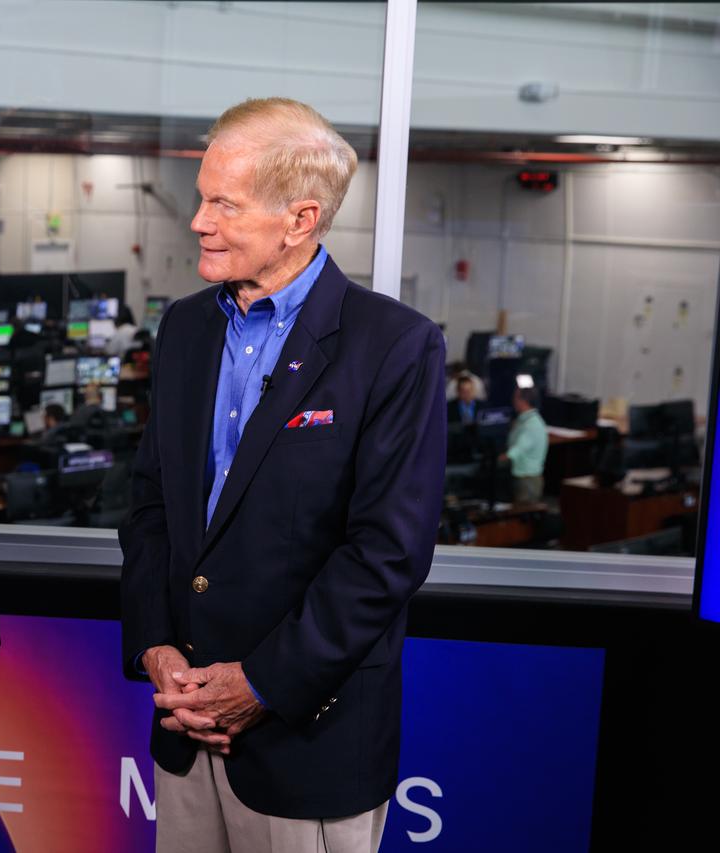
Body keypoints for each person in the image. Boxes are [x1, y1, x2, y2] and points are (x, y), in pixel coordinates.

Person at [120, 97, 445, 853]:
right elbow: (149, 506)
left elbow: (387, 553)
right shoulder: (186, 328)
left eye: (221, 204)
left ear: (299, 220)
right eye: (203, 196)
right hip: (184, 726)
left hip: (308, 744)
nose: (197, 220)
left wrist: (259, 684)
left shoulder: (394, 347)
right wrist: (156, 649)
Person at [501, 385, 548, 504]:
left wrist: (493, 462)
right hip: (525, 479)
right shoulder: (525, 420)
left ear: (523, 401)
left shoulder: (530, 425)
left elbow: (515, 452)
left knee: (523, 518)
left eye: (515, 398)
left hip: (527, 482)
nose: (513, 401)